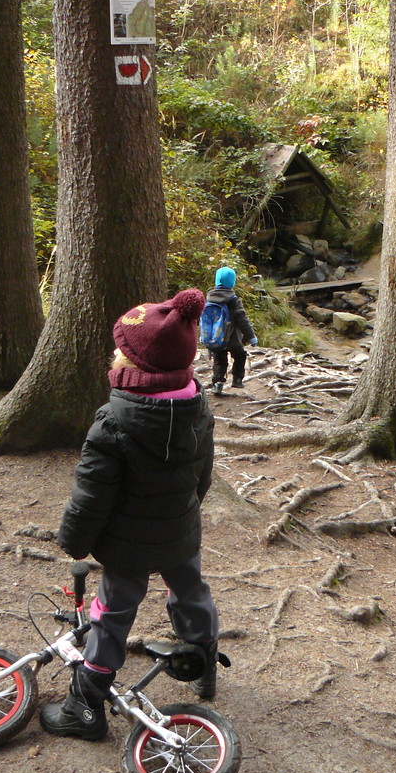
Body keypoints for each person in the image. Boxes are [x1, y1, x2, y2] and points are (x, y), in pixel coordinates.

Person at [40, 288, 224, 741]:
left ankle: (84, 705)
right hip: (181, 532)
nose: (114, 352)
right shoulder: (198, 406)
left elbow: (92, 494)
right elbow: (203, 476)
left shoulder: (113, 420)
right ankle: (202, 660)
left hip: (127, 545)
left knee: (112, 611)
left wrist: (75, 541)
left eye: (121, 348)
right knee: (189, 589)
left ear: (135, 363)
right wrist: (184, 512)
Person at [205, 266, 257, 395]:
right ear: (232, 282)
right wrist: (251, 336)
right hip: (233, 338)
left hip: (215, 338)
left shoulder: (208, 298)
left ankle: (217, 384)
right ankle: (237, 379)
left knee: (219, 360)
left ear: (216, 281)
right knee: (240, 355)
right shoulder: (233, 300)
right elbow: (242, 320)